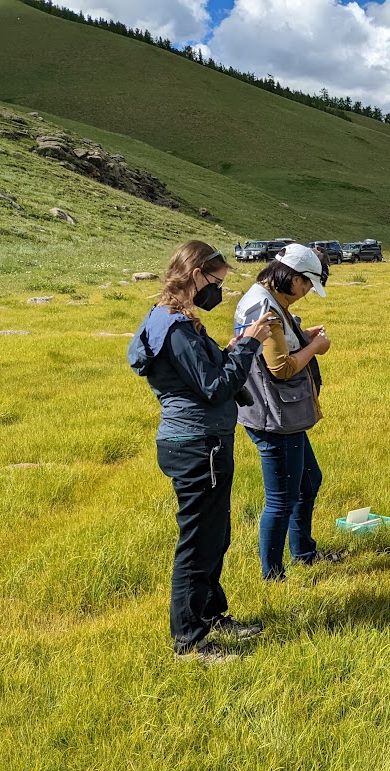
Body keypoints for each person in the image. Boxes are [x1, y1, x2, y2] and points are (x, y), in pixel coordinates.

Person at [127, 240, 273, 663]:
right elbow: (215, 388)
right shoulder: (175, 327)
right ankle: (189, 643)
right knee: (197, 542)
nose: (220, 292)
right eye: (216, 282)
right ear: (196, 276)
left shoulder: (168, 319)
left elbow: (202, 375)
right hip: (196, 445)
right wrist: (249, 346)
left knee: (215, 535)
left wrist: (232, 347)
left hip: (198, 442)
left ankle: (211, 616)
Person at [234, 244, 334, 580]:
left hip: (282, 415)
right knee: (281, 499)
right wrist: (315, 347)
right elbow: (281, 368)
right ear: (289, 276)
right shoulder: (267, 307)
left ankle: (304, 553)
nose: (306, 292)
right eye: (306, 284)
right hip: (274, 418)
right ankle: (273, 576)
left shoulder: (269, 299)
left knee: (308, 483)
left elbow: (273, 348)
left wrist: (302, 336)